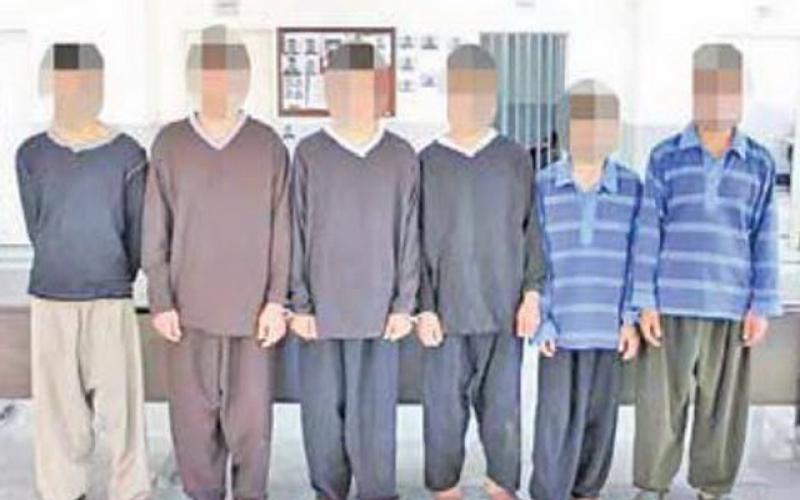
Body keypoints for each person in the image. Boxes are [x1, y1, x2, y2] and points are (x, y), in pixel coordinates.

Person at [142, 25, 291, 500]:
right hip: (187, 315)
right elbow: (155, 227)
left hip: (253, 317)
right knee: (193, 428)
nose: (219, 83)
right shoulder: (170, 144)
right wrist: (160, 299)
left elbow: (283, 230)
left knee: (252, 429)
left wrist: (276, 301)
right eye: (209, 72)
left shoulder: (267, 145)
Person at [631, 43, 782, 500]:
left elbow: (764, 237)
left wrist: (761, 305)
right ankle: (652, 486)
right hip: (670, 304)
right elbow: (648, 231)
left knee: (723, 407)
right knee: (661, 406)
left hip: (731, 304)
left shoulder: (759, 161)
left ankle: (713, 487)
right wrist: (645, 301)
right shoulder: (665, 156)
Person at [16, 42, 151, 500]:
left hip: (110, 295)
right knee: (57, 411)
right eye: (63, 82)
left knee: (122, 409)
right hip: (51, 295)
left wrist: (115, 272)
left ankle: (129, 489)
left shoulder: (128, 155)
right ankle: (62, 490)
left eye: (82, 82)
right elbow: (38, 224)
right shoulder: (31, 154)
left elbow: (137, 230)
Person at [289, 42, 419, 500]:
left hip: (380, 315)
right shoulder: (309, 153)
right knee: (323, 419)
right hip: (321, 315)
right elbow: (295, 229)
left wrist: (404, 304)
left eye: (365, 86)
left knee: (375, 422)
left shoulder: (400, 156)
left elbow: (410, 232)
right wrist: (299, 303)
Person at [416, 44, 544, 500]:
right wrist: (424, 307)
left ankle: (501, 485)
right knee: (442, 415)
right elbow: (413, 240)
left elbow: (532, 230)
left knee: (503, 411)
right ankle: (445, 487)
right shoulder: (427, 162)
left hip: (503, 311)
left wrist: (532, 294)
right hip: (446, 314)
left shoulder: (514, 158)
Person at [529, 79, 641, 500]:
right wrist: (543, 319)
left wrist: (629, 319)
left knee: (599, 418)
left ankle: (587, 491)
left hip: (609, 327)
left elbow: (638, 257)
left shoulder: (632, 187)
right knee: (554, 422)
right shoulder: (542, 185)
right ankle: (548, 492)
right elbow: (534, 257)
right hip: (559, 328)